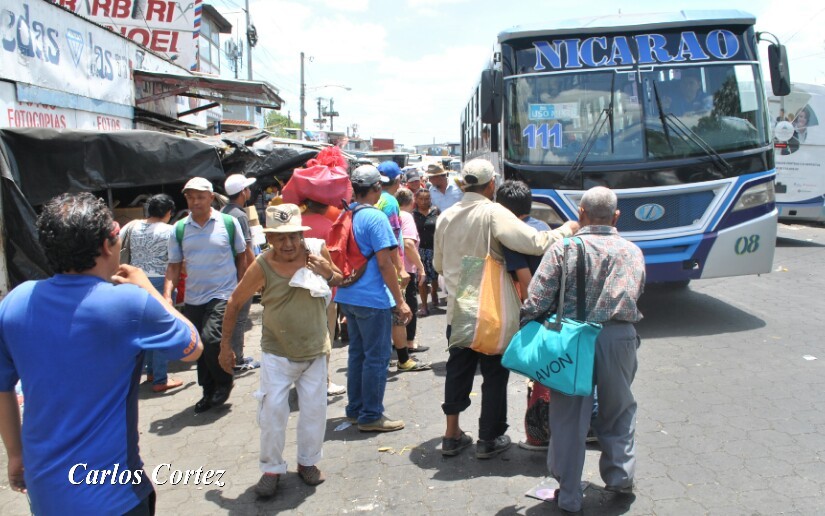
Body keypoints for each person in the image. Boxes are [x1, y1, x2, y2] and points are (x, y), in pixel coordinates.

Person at [0, 192, 202, 515]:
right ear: (108, 245)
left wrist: (14, 454)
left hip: (45, 494)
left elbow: (2, 387)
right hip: (114, 496)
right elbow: (192, 347)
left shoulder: (14, 303)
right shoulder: (127, 304)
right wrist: (147, 288)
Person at [434, 159, 578, 458]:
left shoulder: (446, 216)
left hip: (459, 304)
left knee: (457, 370)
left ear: (463, 184)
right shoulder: (493, 211)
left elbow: (437, 264)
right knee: (494, 374)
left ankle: (451, 435)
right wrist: (566, 228)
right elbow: (536, 242)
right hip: (490, 307)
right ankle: (489, 439)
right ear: (491, 185)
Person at [521, 186, 645, 514]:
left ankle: (570, 494)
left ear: (581, 213)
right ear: (616, 216)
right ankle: (620, 477)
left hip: (572, 342)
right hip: (619, 338)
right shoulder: (632, 251)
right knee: (618, 409)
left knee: (568, 416)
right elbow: (637, 290)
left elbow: (537, 298)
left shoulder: (564, 248)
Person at [219, 204, 339, 498]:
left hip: (314, 350)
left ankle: (307, 463)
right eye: (280, 238)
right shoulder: (262, 264)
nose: (288, 244)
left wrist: (328, 272)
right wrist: (225, 347)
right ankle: (271, 469)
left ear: (301, 235)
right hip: (277, 353)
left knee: (314, 411)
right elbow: (235, 302)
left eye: (293, 237)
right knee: (272, 413)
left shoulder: (315, 253)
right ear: (269, 238)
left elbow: (338, 278)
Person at [334, 165, 413, 432]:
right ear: (377, 189)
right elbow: (385, 264)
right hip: (372, 298)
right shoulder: (375, 217)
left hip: (347, 295)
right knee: (376, 358)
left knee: (357, 355)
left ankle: (355, 410)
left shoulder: (348, 213)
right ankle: (371, 416)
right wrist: (400, 300)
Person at [164, 177, 246, 414]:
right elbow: (174, 265)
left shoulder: (228, 223)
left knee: (212, 339)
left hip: (222, 292)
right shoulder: (179, 228)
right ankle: (208, 391)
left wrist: (241, 288)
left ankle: (224, 381)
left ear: (211, 198)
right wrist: (168, 295)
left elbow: (242, 255)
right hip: (194, 296)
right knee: (198, 346)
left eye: (200, 197)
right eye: (190, 197)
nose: (195, 201)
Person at [121, 193, 185, 393]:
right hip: (160, 281)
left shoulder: (132, 226)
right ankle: (160, 378)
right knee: (161, 328)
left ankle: (149, 372)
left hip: (135, 280)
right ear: (168, 212)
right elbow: (177, 260)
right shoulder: (171, 230)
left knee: (144, 329)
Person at [376, 161, 429, 373]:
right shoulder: (390, 203)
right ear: (398, 180)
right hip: (389, 265)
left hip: (376, 265)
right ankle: (403, 359)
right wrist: (400, 268)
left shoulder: (372, 199)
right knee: (398, 312)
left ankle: (386, 357)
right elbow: (391, 240)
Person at [222, 173, 261, 372]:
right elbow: (246, 250)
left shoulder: (224, 211)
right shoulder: (240, 215)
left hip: (227, 274)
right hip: (240, 274)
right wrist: (257, 275)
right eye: (247, 189)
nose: (250, 192)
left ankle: (230, 355)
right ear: (243, 192)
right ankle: (238, 359)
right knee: (239, 319)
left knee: (230, 317)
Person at [396, 187, 429, 353]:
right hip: (406, 269)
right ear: (412, 202)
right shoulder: (406, 216)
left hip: (394, 268)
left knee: (397, 307)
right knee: (409, 305)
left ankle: (398, 341)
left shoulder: (391, 214)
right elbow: (408, 244)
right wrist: (421, 267)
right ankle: (409, 342)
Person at [413, 188, 441, 315]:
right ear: (416, 200)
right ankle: (424, 306)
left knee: (436, 276)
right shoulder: (413, 215)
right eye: (421, 199)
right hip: (419, 251)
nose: (424, 202)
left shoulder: (436, 211)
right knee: (421, 278)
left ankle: (434, 292)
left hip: (435, 249)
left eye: (426, 199)